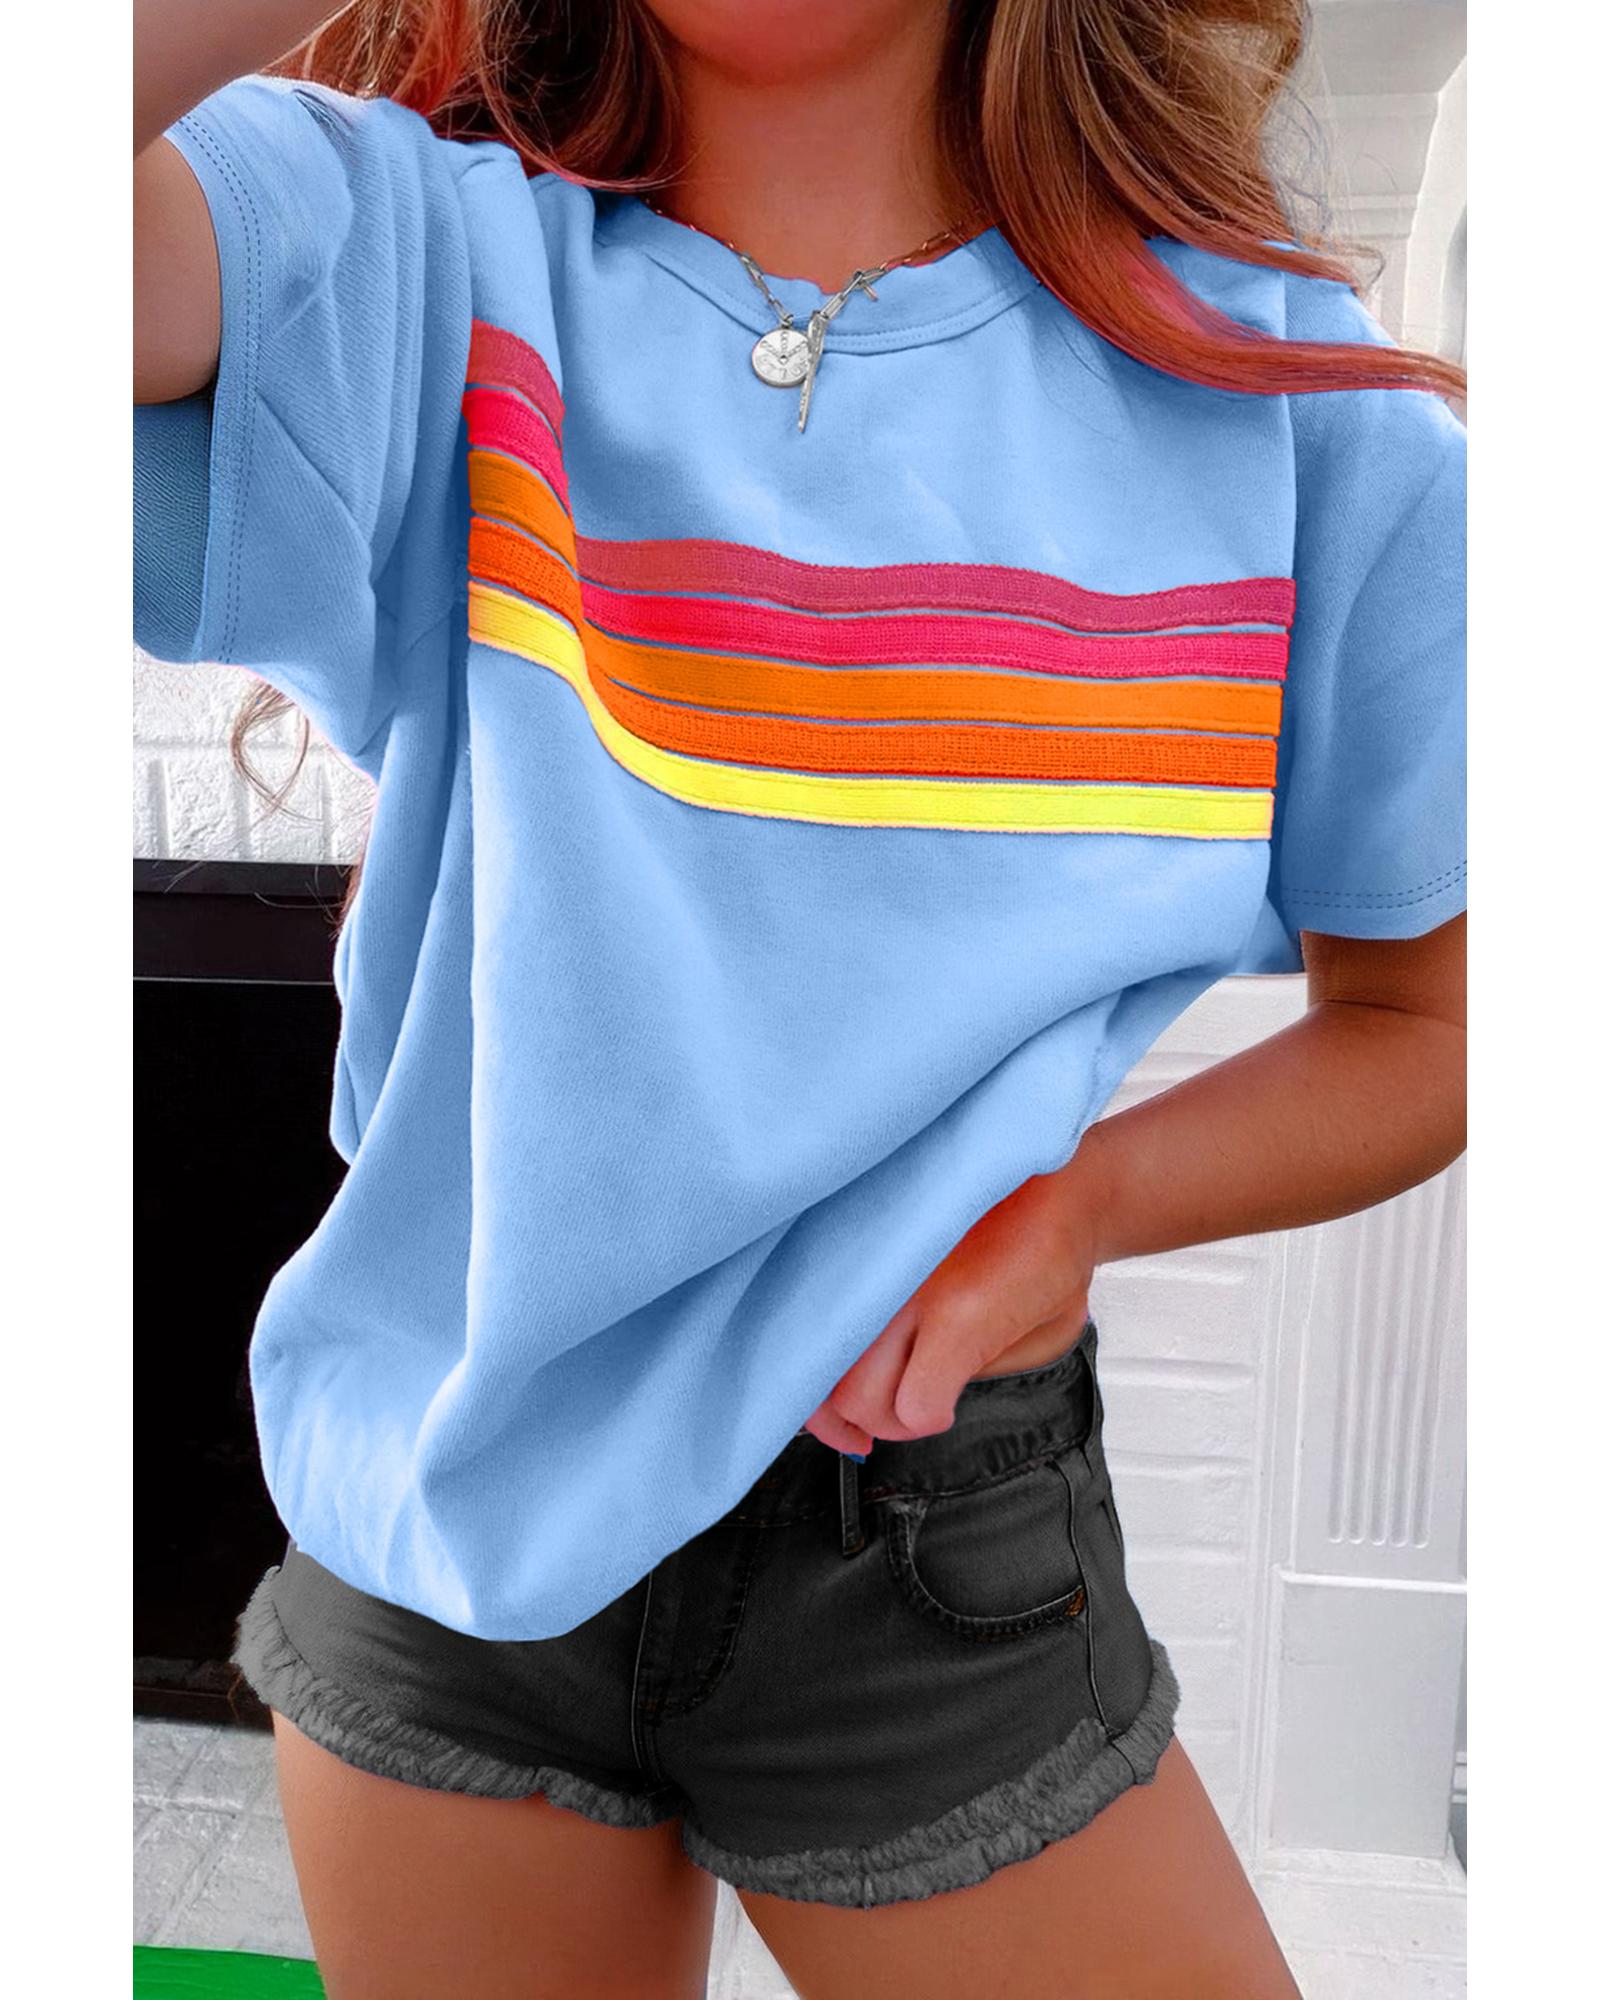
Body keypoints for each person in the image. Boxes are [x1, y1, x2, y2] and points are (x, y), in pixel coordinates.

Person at [133, 1, 1466, 1993]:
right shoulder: (405, 255)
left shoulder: (1294, 404)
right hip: (442, 1514)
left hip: (919, 1534)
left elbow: (1442, 1022)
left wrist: (1081, 1206)